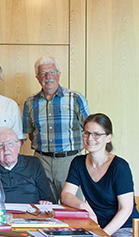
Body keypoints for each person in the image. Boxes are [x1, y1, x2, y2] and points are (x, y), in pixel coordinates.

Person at [61, 114, 139, 237]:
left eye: (97, 134)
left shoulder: (120, 167)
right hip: (94, 227)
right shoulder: (78, 163)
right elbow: (66, 195)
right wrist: (83, 206)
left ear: (108, 138)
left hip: (123, 229)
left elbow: (125, 209)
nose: (90, 139)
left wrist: (103, 235)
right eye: (87, 133)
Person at [23, 56, 90, 202]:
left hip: (70, 161)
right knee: (44, 208)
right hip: (41, 162)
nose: (48, 77)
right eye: (43, 74)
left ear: (59, 74)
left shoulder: (75, 98)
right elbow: (30, 134)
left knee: (74, 208)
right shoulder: (29, 102)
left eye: (52, 72)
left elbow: (89, 130)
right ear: (37, 78)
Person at [0, 127, 55, 204]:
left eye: (10, 143)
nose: (6, 148)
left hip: (32, 212)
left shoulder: (33, 164)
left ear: (18, 145)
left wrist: (46, 203)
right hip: (1, 213)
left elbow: (48, 198)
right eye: (0, 145)